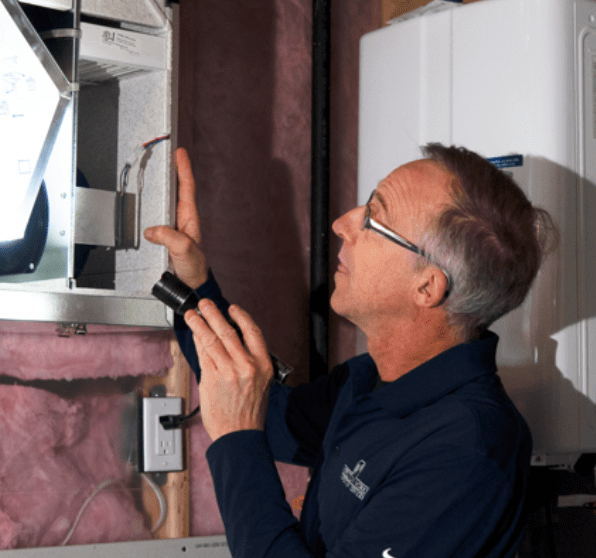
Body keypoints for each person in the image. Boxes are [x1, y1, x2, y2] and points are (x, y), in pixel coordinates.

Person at [143, 144, 555, 558]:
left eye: (375, 218)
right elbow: (268, 415)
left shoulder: (465, 455)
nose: (343, 224)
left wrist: (236, 440)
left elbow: (245, 423)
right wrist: (193, 285)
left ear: (427, 287)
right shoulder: (372, 378)